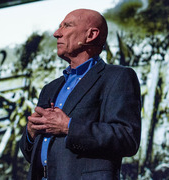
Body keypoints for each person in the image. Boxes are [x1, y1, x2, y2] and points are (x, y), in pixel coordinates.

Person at [20, 9, 141, 180]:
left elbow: (127, 138)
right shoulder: (50, 88)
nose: (56, 33)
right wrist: (31, 134)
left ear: (91, 35)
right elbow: (31, 155)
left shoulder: (117, 77)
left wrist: (69, 126)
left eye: (66, 26)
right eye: (58, 27)